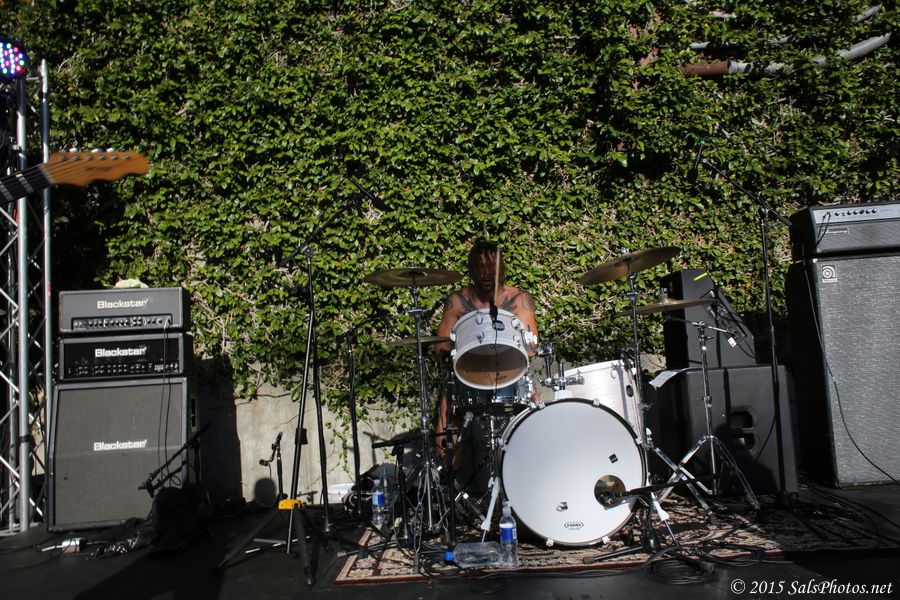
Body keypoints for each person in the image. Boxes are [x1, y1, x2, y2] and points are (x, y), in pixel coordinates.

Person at [433, 241, 539, 494]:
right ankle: (452, 482)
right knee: (448, 404)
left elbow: (531, 347)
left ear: (503, 268)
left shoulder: (519, 299)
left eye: (492, 267)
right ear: (471, 270)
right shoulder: (458, 301)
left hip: (509, 376)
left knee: (534, 403)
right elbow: (440, 346)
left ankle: (527, 481)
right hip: (468, 375)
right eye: (480, 267)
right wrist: (454, 356)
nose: (486, 273)